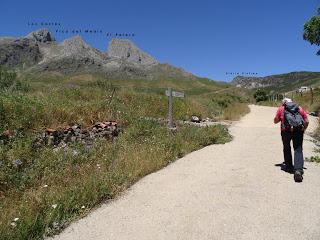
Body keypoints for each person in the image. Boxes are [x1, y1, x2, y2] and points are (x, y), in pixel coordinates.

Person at [274, 98, 309, 182]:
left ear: (284, 103)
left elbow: (275, 121)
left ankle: (289, 167)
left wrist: (279, 119)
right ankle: (298, 170)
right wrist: (303, 129)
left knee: (286, 147)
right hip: (298, 131)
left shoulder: (281, 108)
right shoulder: (299, 108)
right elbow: (306, 121)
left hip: (285, 131)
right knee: (298, 149)